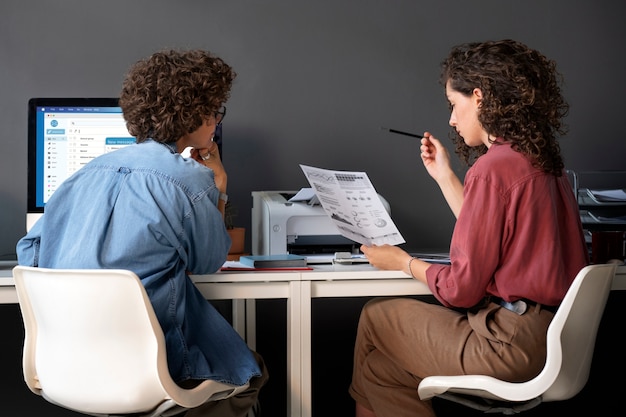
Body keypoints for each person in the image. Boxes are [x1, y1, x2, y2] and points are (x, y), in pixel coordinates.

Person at [16, 49, 268, 417]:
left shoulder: (84, 174)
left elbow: (31, 253)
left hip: (68, 369)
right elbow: (209, 260)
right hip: (153, 370)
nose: (216, 120)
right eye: (214, 109)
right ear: (190, 113)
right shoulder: (190, 181)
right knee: (252, 369)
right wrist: (219, 184)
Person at [349, 39, 589, 417]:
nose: (451, 120)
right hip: (549, 337)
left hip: (506, 344)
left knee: (376, 316)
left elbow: (462, 290)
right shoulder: (541, 162)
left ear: (479, 97)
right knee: (382, 369)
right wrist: (444, 176)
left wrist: (402, 263)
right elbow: (492, 238)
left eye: (453, 105)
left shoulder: (493, 168)